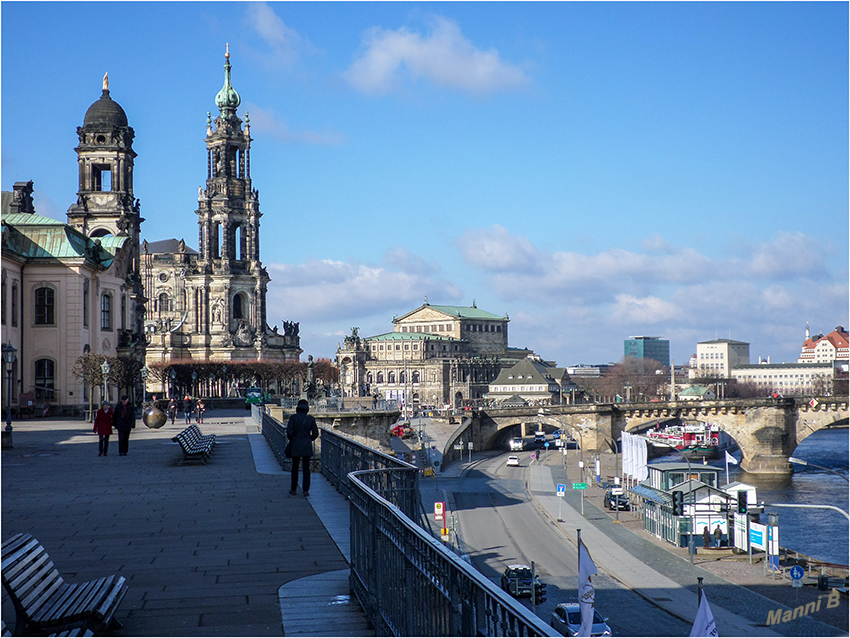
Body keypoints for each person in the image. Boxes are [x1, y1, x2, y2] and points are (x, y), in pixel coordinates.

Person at [286, 399, 319, 497]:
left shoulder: (293, 418)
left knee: (295, 467)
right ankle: (305, 490)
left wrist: (293, 439)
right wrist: (309, 439)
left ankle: (293, 488)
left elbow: (289, 432)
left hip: (296, 444)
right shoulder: (310, 419)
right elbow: (315, 434)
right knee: (306, 468)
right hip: (306, 445)